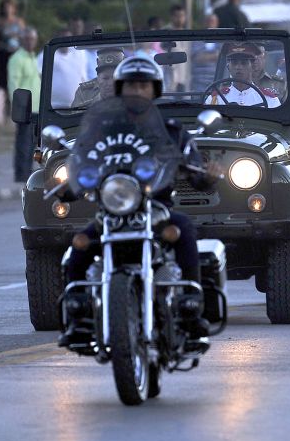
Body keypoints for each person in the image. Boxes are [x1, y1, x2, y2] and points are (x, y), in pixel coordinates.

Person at [59, 57, 223, 348]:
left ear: (154, 90)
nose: (137, 90)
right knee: (81, 243)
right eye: (131, 84)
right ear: (121, 89)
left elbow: (195, 168)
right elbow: (83, 157)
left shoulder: (171, 131)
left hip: (155, 209)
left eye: (143, 85)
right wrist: (68, 182)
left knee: (183, 229)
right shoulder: (101, 131)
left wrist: (205, 174)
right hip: (112, 211)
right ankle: (78, 316)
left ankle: (191, 307)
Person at [7, 27, 40, 182]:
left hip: (36, 108)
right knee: (23, 144)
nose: (30, 42)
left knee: (32, 144)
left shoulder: (33, 57)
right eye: (27, 39)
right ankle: (21, 175)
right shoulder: (17, 59)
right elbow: (14, 85)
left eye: (32, 39)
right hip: (25, 109)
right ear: (22, 40)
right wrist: (20, 108)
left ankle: (27, 172)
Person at [205, 43, 280, 107]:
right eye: (234, 63)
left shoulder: (269, 99)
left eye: (244, 63)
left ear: (253, 66)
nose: (238, 67)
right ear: (228, 67)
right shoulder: (215, 99)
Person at [0, 0, 27, 100]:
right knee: (4, 80)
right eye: (5, 7)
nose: (7, 9)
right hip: (4, 53)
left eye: (9, 7)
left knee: (17, 78)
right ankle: (6, 102)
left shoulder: (19, 21)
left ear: (14, 8)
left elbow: (23, 35)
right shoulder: (0, 22)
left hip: (16, 53)